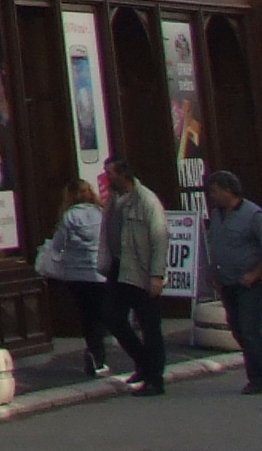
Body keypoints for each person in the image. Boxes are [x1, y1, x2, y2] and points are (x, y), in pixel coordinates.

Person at [203, 167, 262, 392]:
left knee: (250, 330)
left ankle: (259, 380)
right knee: (238, 329)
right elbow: (216, 244)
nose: (212, 196)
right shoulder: (217, 215)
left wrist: (255, 273)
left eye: (215, 191)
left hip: (251, 283)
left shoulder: (253, 215)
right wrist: (213, 273)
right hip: (227, 282)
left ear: (228, 191)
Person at [101, 160, 170, 395]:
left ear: (123, 175)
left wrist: (156, 275)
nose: (106, 177)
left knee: (150, 326)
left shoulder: (146, 200)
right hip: (119, 267)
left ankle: (155, 379)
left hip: (141, 271)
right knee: (112, 317)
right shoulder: (113, 199)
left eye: (110, 173)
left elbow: (160, 238)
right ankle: (143, 363)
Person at [35, 177, 111, 374]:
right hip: (100, 273)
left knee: (86, 315)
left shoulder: (69, 217)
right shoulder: (101, 213)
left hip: (76, 275)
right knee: (100, 315)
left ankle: (93, 352)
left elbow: (57, 246)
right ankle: (98, 356)